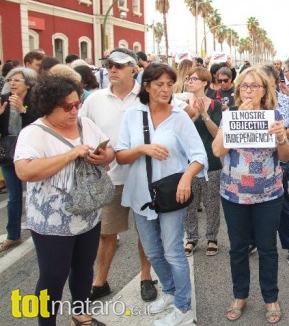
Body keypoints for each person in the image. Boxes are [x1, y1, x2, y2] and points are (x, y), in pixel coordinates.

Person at [14, 75, 115, 326]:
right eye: (67, 106)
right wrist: (70, 155)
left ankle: (80, 315)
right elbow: (25, 171)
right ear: (49, 105)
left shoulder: (86, 124)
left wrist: (103, 156)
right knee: (52, 275)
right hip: (52, 222)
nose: (74, 110)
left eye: (77, 103)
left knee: (83, 268)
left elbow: (111, 153)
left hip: (87, 214)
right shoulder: (34, 133)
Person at [116, 63, 207, 326]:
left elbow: (199, 156)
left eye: (169, 84)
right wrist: (143, 149)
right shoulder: (133, 114)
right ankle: (169, 291)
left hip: (170, 195)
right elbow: (121, 155)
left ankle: (183, 306)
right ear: (146, 86)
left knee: (172, 251)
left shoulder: (179, 116)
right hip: (140, 193)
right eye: (159, 84)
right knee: (153, 252)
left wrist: (187, 179)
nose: (166, 89)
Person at [212, 67, 289, 324]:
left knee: (268, 248)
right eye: (244, 86)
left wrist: (281, 138)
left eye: (255, 86)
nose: (249, 90)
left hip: (268, 194)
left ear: (264, 91)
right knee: (238, 248)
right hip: (234, 194)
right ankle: (240, 295)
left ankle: (271, 297)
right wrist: (233, 125)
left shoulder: (275, 116)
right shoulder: (230, 115)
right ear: (238, 91)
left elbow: (285, 157)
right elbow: (217, 150)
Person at [79, 49, 158, 302]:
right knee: (106, 233)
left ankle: (146, 277)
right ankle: (100, 281)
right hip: (109, 178)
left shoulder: (147, 97)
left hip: (144, 175)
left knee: (146, 231)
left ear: (134, 69)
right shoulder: (95, 99)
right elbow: (81, 130)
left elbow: (175, 116)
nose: (112, 69)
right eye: (109, 65)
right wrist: (91, 152)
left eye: (119, 66)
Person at [258, 63, 289, 265]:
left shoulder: (285, 102)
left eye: (267, 81)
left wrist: (280, 129)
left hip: (278, 161)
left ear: (275, 81)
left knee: (282, 205)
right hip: (252, 165)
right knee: (252, 206)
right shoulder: (249, 104)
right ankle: (253, 240)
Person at [182, 67, 223, 257]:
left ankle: (212, 238)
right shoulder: (180, 104)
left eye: (194, 79)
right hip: (186, 162)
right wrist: (191, 114)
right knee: (188, 203)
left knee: (212, 203)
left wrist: (203, 114)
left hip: (211, 161)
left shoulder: (215, 105)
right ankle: (191, 238)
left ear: (205, 83)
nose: (189, 81)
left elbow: (216, 133)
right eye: (188, 78)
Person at [0, 68, 38, 252]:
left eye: (17, 80)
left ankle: (40, 229)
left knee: (35, 193)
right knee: (14, 197)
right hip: (9, 153)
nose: (12, 83)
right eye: (10, 80)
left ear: (28, 83)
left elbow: (40, 125)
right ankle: (12, 235)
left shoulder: (35, 100)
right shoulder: (4, 99)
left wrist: (23, 110)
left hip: (31, 152)